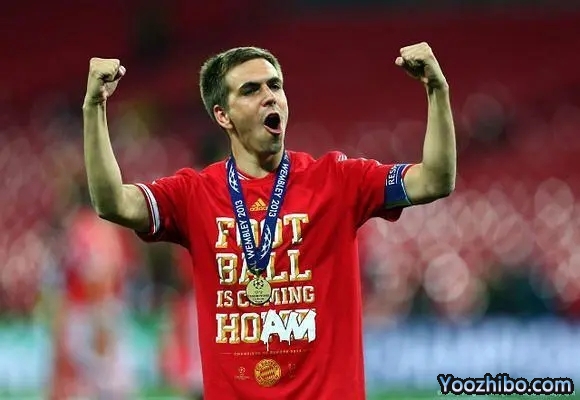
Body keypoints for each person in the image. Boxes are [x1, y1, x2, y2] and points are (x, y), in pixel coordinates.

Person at [82, 43, 456, 400]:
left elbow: (434, 180)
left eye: (275, 85)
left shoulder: (337, 180)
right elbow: (113, 202)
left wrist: (437, 91)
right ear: (223, 115)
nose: (269, 96)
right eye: (250, 90)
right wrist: (94, 108)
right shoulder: (193, 194)